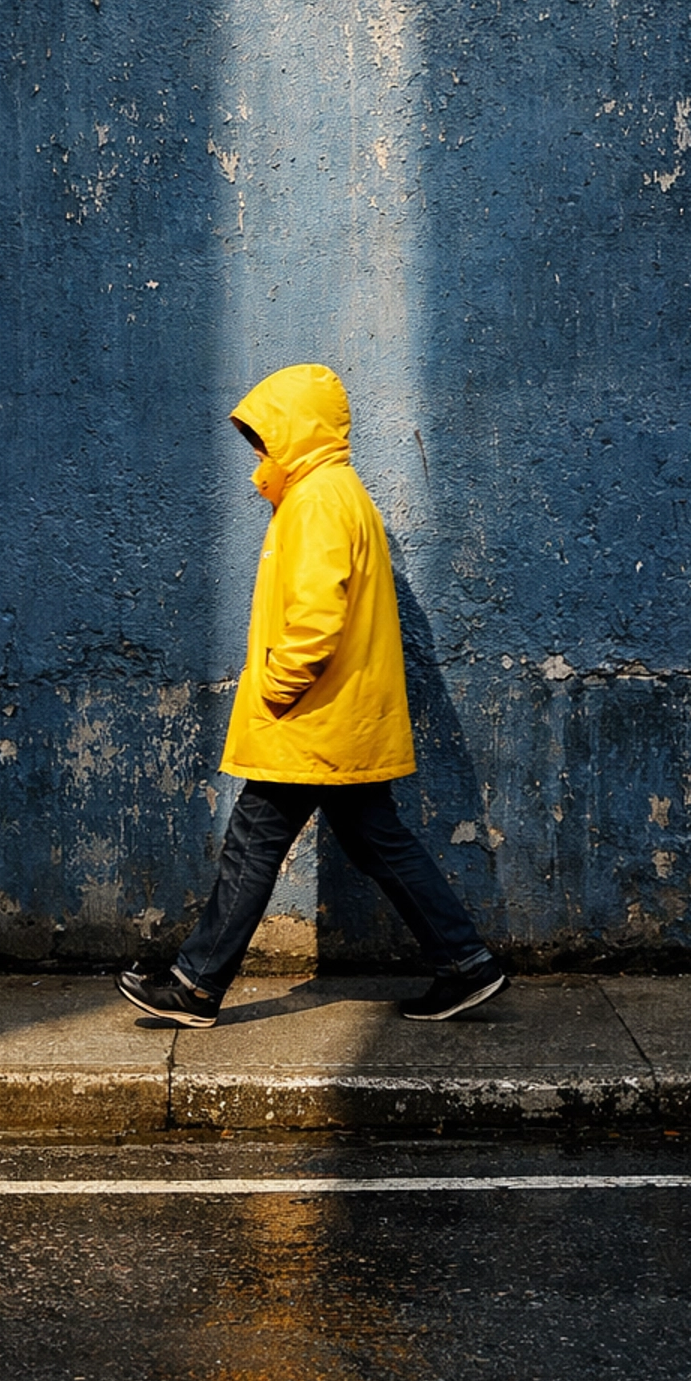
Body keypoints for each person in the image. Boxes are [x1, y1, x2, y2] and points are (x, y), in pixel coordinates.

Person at [116, 363, 508, 1026]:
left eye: (267, 437)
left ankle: (197, 985)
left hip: (311, 716)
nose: (261, 452)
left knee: (254, 837)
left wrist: (275, 686)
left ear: (297, 429)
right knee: (375, 839)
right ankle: (465, 964)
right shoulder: (332, 492)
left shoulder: (319, 499)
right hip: (336, 717)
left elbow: (317, 618)